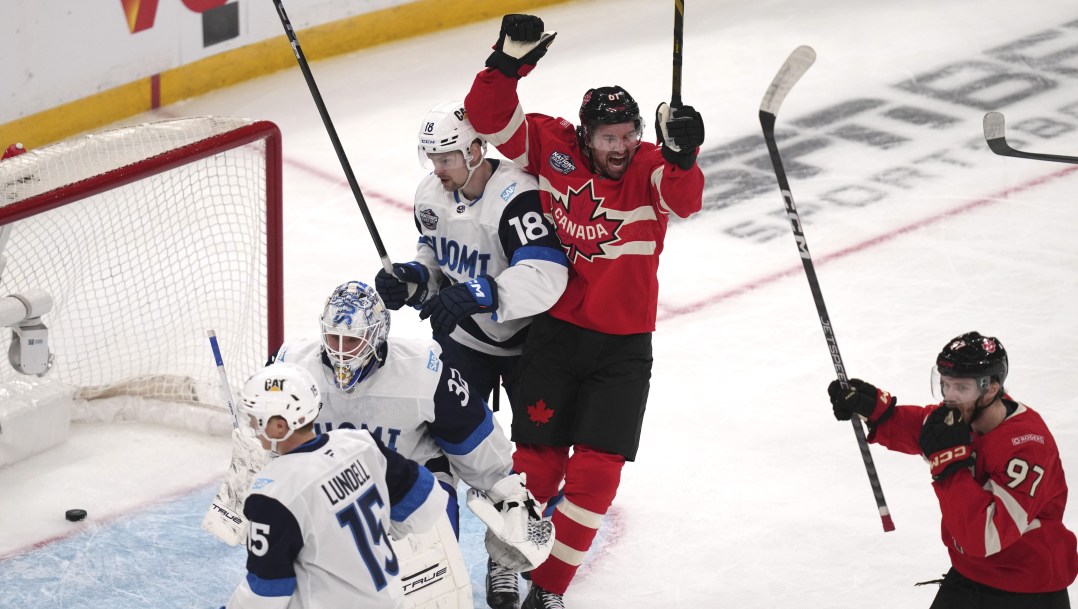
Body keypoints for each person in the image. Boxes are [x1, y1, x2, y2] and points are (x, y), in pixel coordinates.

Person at [463, 13, 706, 609]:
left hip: (623, 350)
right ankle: (503, 566)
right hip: (555, 335)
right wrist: (506, 63)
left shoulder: (650, 168)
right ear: (585, 135)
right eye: (608, 138)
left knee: (596, 480)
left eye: (629, 135)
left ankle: (547, 591)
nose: (620, 147)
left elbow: (686, 201)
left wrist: (683, 156)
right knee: (535, 471)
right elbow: (487, 118)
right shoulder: (553, 147)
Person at [274, 280, 551, 608]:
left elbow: (472, 435)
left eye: (352, 340)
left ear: (377, 336)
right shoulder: (291, 367)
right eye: (334, 338)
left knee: (430, 596)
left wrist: (509, 498)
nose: (341, 352)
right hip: (327, 491)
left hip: (413, 490)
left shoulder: (421, 369)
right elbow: (267, 442)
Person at [827, 331, 1077, 609]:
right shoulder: (965, 415)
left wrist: (949, 465)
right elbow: (924, 427)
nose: (949, 396)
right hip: (971, 575)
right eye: (945, 385)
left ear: (991, 389)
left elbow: (984, 538)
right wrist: (874, 408)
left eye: (961, 388)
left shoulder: (1027, 445)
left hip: (1028, 590)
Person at [374, 99, 568, 410]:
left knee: (541, 448)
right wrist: (415, 278)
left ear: (474, 151)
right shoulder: (429, 196)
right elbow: (434, 252)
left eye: (446, 160)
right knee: (449, 439)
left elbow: (544, 274)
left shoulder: (518, 197)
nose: (437, 170)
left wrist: (482, 291)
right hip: (464, 339)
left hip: (531, 343)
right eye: (432, 159)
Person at [224, 361, 449, 609]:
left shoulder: (274, 492)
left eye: (257, 420)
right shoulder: (359, 443)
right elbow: (429, 504)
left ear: (280, 426)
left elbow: (264, 596)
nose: (253, 428)